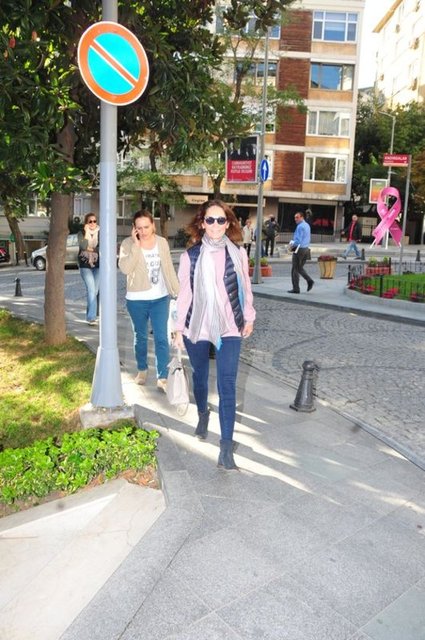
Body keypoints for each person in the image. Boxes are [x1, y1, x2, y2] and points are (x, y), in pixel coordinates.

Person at [174, 199, 255, 470]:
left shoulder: (238, 253)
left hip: (229, 325)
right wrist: (178, 328)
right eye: (210, 220)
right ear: (202, 223)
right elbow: (185, 295)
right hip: (197, 325)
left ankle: (226, 448)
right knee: (199, 376)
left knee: (227, 384)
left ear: (228, 223)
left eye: (221, 220)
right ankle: (202, 413)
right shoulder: (190, 256)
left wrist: (249, 316)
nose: (216, 225)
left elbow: (245, 287)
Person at [118, 210, 179, 391]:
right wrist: (136, 246)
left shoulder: (162, 242)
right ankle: (142, 369)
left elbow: (169, 269)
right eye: (139, 228)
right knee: (141, 337)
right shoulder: (127, 244)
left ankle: (162, 377)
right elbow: (125, 269)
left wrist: (178, 292)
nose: (143, 231)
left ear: (153, 225)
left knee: (161, 338)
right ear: (134, 228)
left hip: (160, 298)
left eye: (146, 226)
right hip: (136, 300)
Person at [78, 213, 100, 326]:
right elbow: (83, 246)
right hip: (85, 266)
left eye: (94, 221)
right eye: (90, 221)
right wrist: (87, 232)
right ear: (86, 223)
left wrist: (90, 248)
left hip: (98, 266)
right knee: (91, 290)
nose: (92, 223)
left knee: (95, 291)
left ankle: (90, 314)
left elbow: (100, 248)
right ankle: (92, 317)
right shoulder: (81, 233)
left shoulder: (100, 233)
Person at [288, 211, 314, 294]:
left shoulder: (300, 226)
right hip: (306, 248)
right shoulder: (307, 225)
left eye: (297, 217)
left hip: (299, 249)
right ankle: (308, 281)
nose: (295, 219)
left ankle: (296, 288)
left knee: (295, 269)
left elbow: (298, 240)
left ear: (302, 217)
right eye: (295, 217)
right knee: (299, 268)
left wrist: (291, 246)